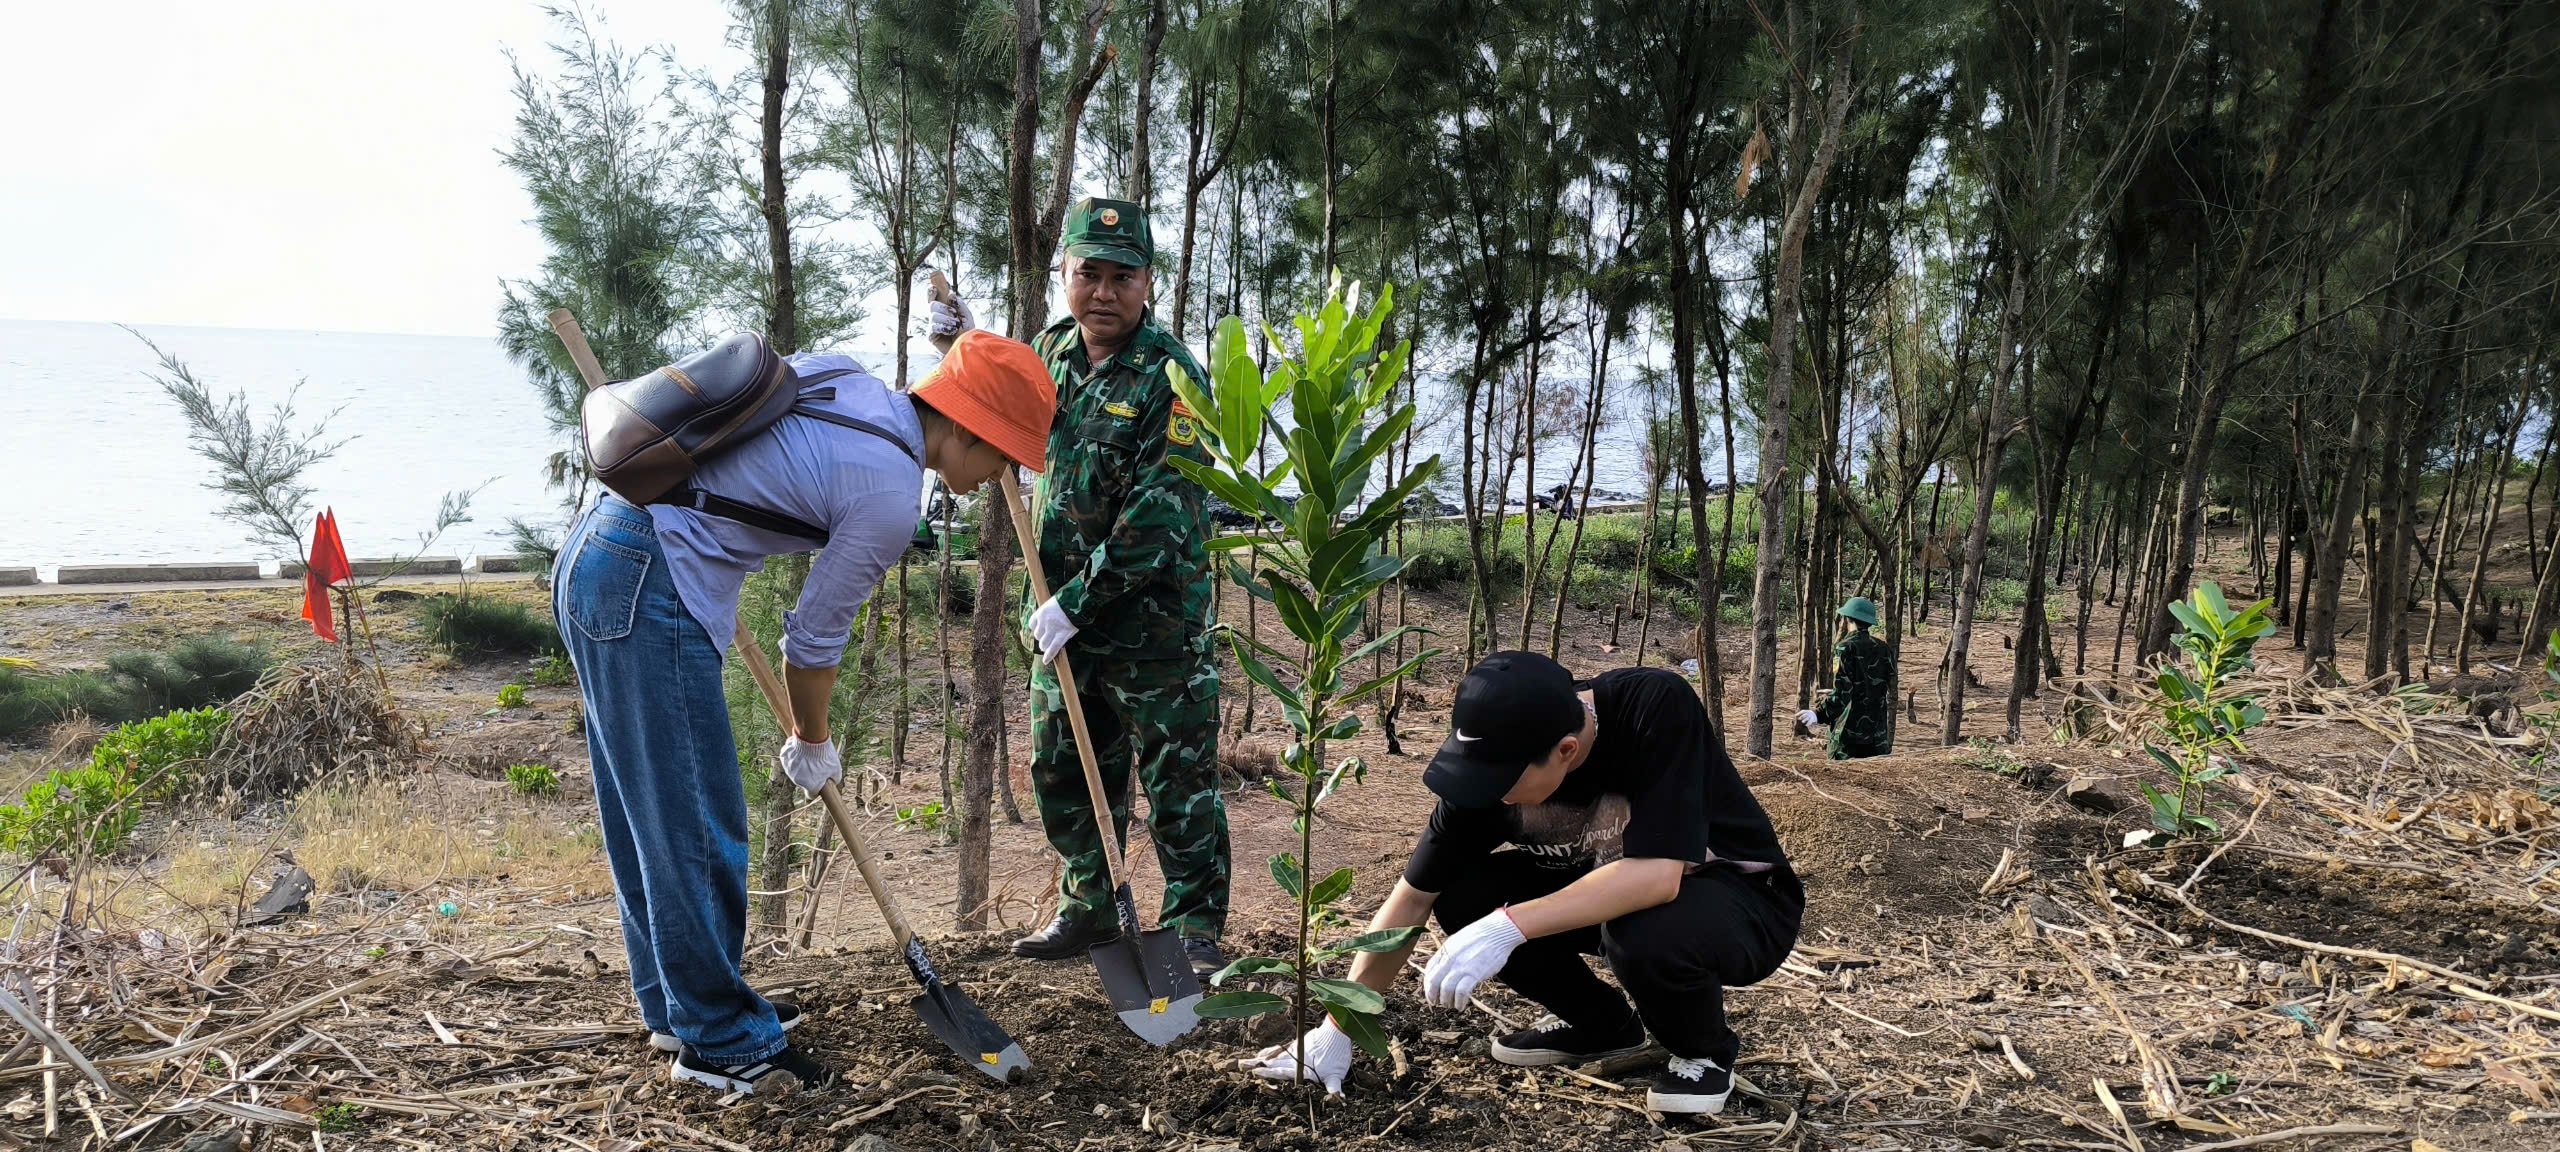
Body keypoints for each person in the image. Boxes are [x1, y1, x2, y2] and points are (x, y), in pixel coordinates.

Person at [553, 331, 1055, 1096]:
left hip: (602, 552)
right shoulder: (889, 493)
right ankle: (720, 1041)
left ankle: (680, 1004)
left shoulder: (848, 380)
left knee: (648, 812)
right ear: (961, 426)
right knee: (695, 820)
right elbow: (813, 642)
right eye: (1003, 454)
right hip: (647, 580)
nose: (1003, 476)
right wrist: (811, 739)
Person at [1243, 652, 1804, 1115]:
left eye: (1500, 783)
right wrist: (1335, 1028)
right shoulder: (1489, 766)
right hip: (1600, 888)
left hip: (1737, 897)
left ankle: (1702, 1050)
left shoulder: (1652, 707)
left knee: (1642, 929)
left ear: (1564, 752)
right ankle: (1603, 1025)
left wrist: (1508, 926)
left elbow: (1657, 875)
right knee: (1463, 891)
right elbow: (1412, 897)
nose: (1486, 795)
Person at [991, 196, 1229, 975]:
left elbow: (1161, 515)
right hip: (1061, 623)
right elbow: (1000, 421)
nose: (1101, 291)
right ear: (1063, 272)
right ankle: (1089, 908)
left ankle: (1192, 925)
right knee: (1064, 770)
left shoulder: (1173, 377)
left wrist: (1075, 604)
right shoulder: (1051, 350)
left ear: (1148, 282)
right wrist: (964, 354)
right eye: (1086, 272)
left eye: (1119, 276)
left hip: (1152, 630)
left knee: (1177, 788)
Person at [1797, 596, 1894, 759]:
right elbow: (1886, 686)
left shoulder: (1845, 648)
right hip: (1877, 736)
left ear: (1848, 618)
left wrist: (1819, 714)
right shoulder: (1884, 649)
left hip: (1849, 737)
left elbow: (1843, 693)